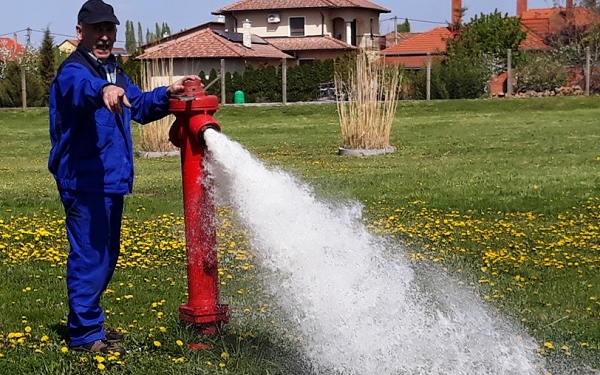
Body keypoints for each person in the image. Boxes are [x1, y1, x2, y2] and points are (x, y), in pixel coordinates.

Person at [48, 0, 200, 354]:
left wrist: (168, 94)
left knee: (105, 255)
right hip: (84, 180)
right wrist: (102, 91)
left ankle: (90, 324)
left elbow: (140, 107)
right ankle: (85, 336)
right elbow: (81, 89)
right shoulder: (74, 70)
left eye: (109, 29)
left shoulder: (115, 72)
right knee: (91, 256)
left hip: (110, 180)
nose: (104, 36)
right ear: (80, 32)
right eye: (97, 29)